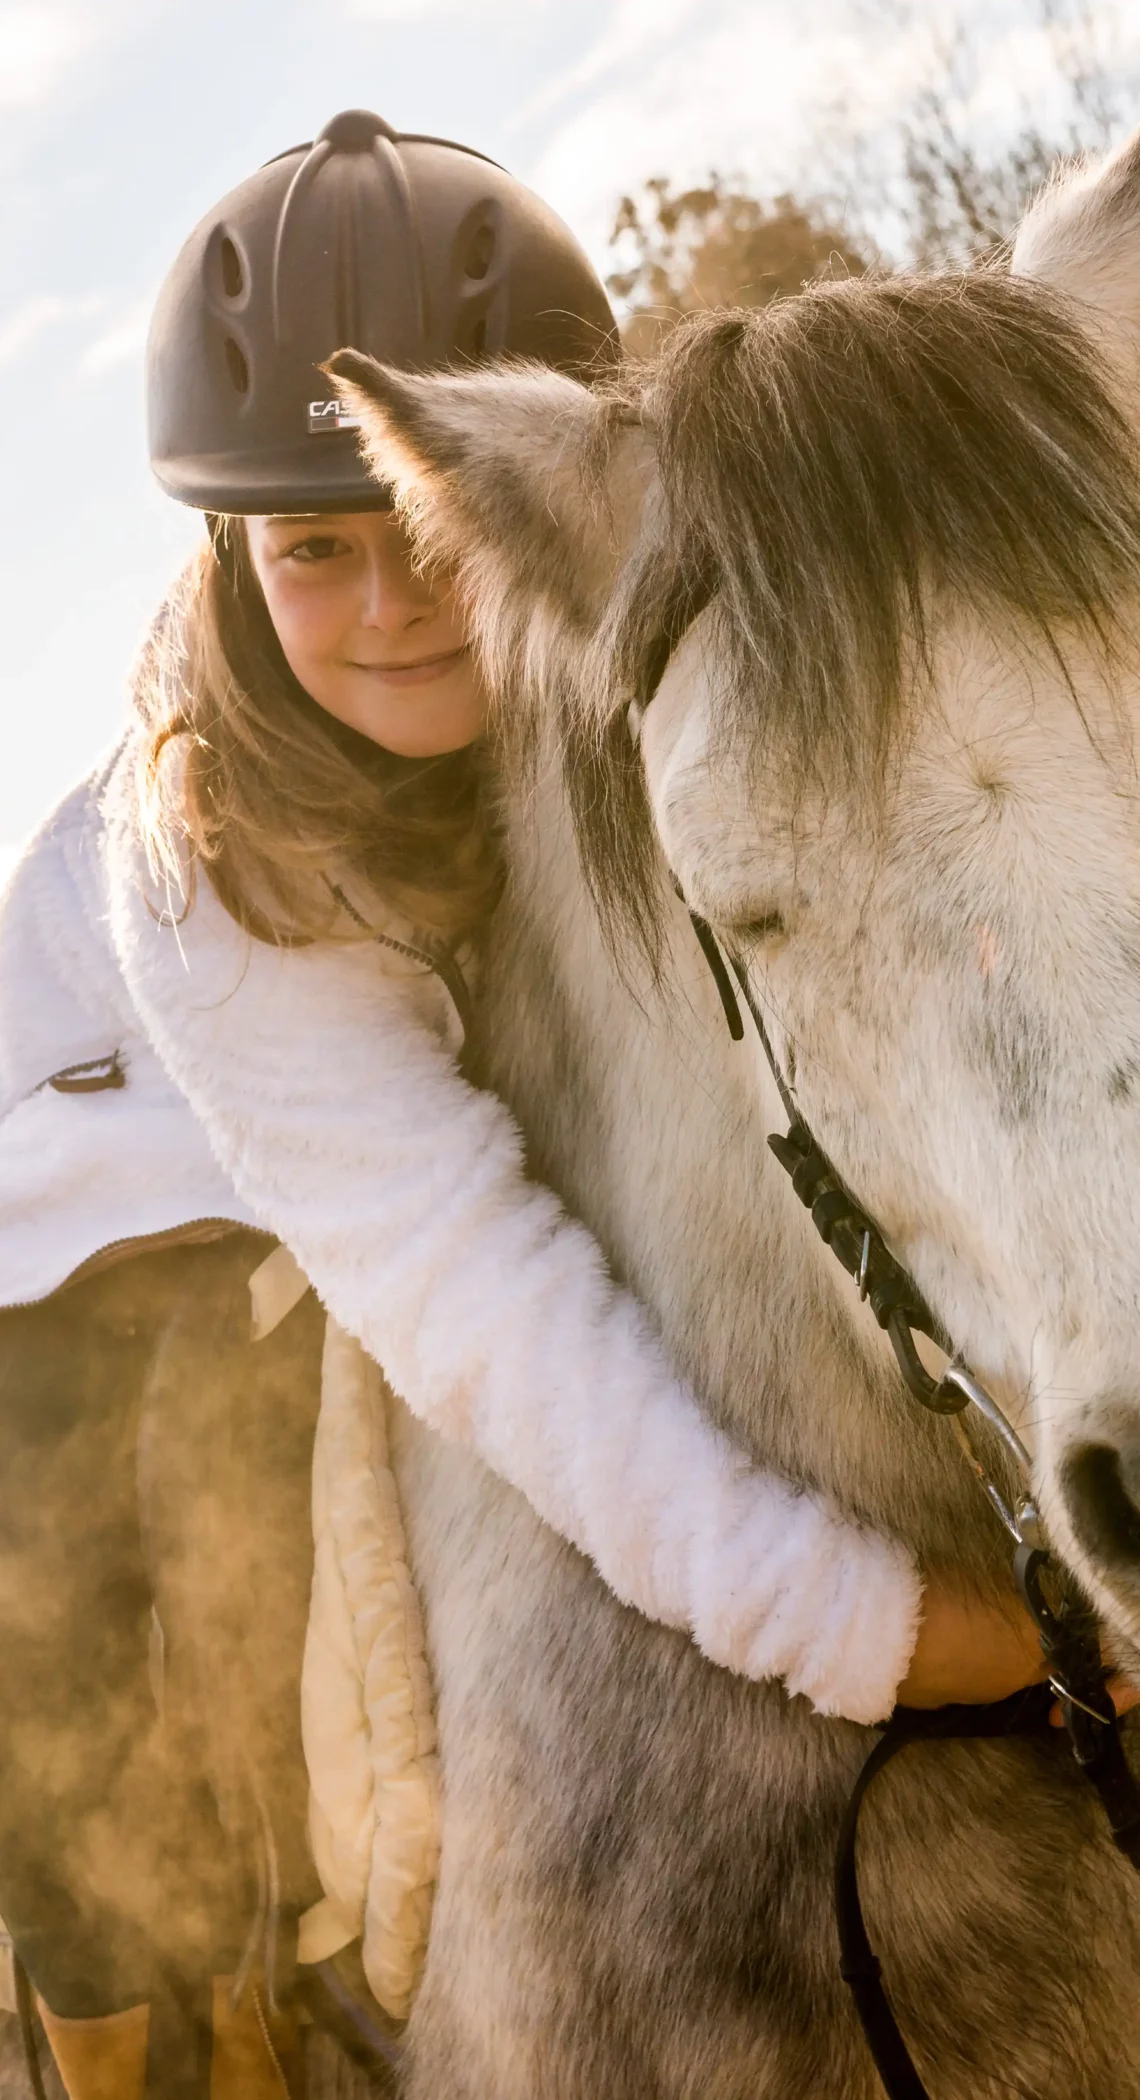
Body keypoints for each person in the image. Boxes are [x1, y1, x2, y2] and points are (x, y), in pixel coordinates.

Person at [0, 109, 1053, 2100]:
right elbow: (489, 1318)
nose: (397, 602)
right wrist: (872, 1630)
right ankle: (119, 2042)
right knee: (77, 1671)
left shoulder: (644, 619)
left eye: (433, 523)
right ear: (227, 550)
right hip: (91, 1204)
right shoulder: (195, 873)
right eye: (315, 548)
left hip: (441, 1078)